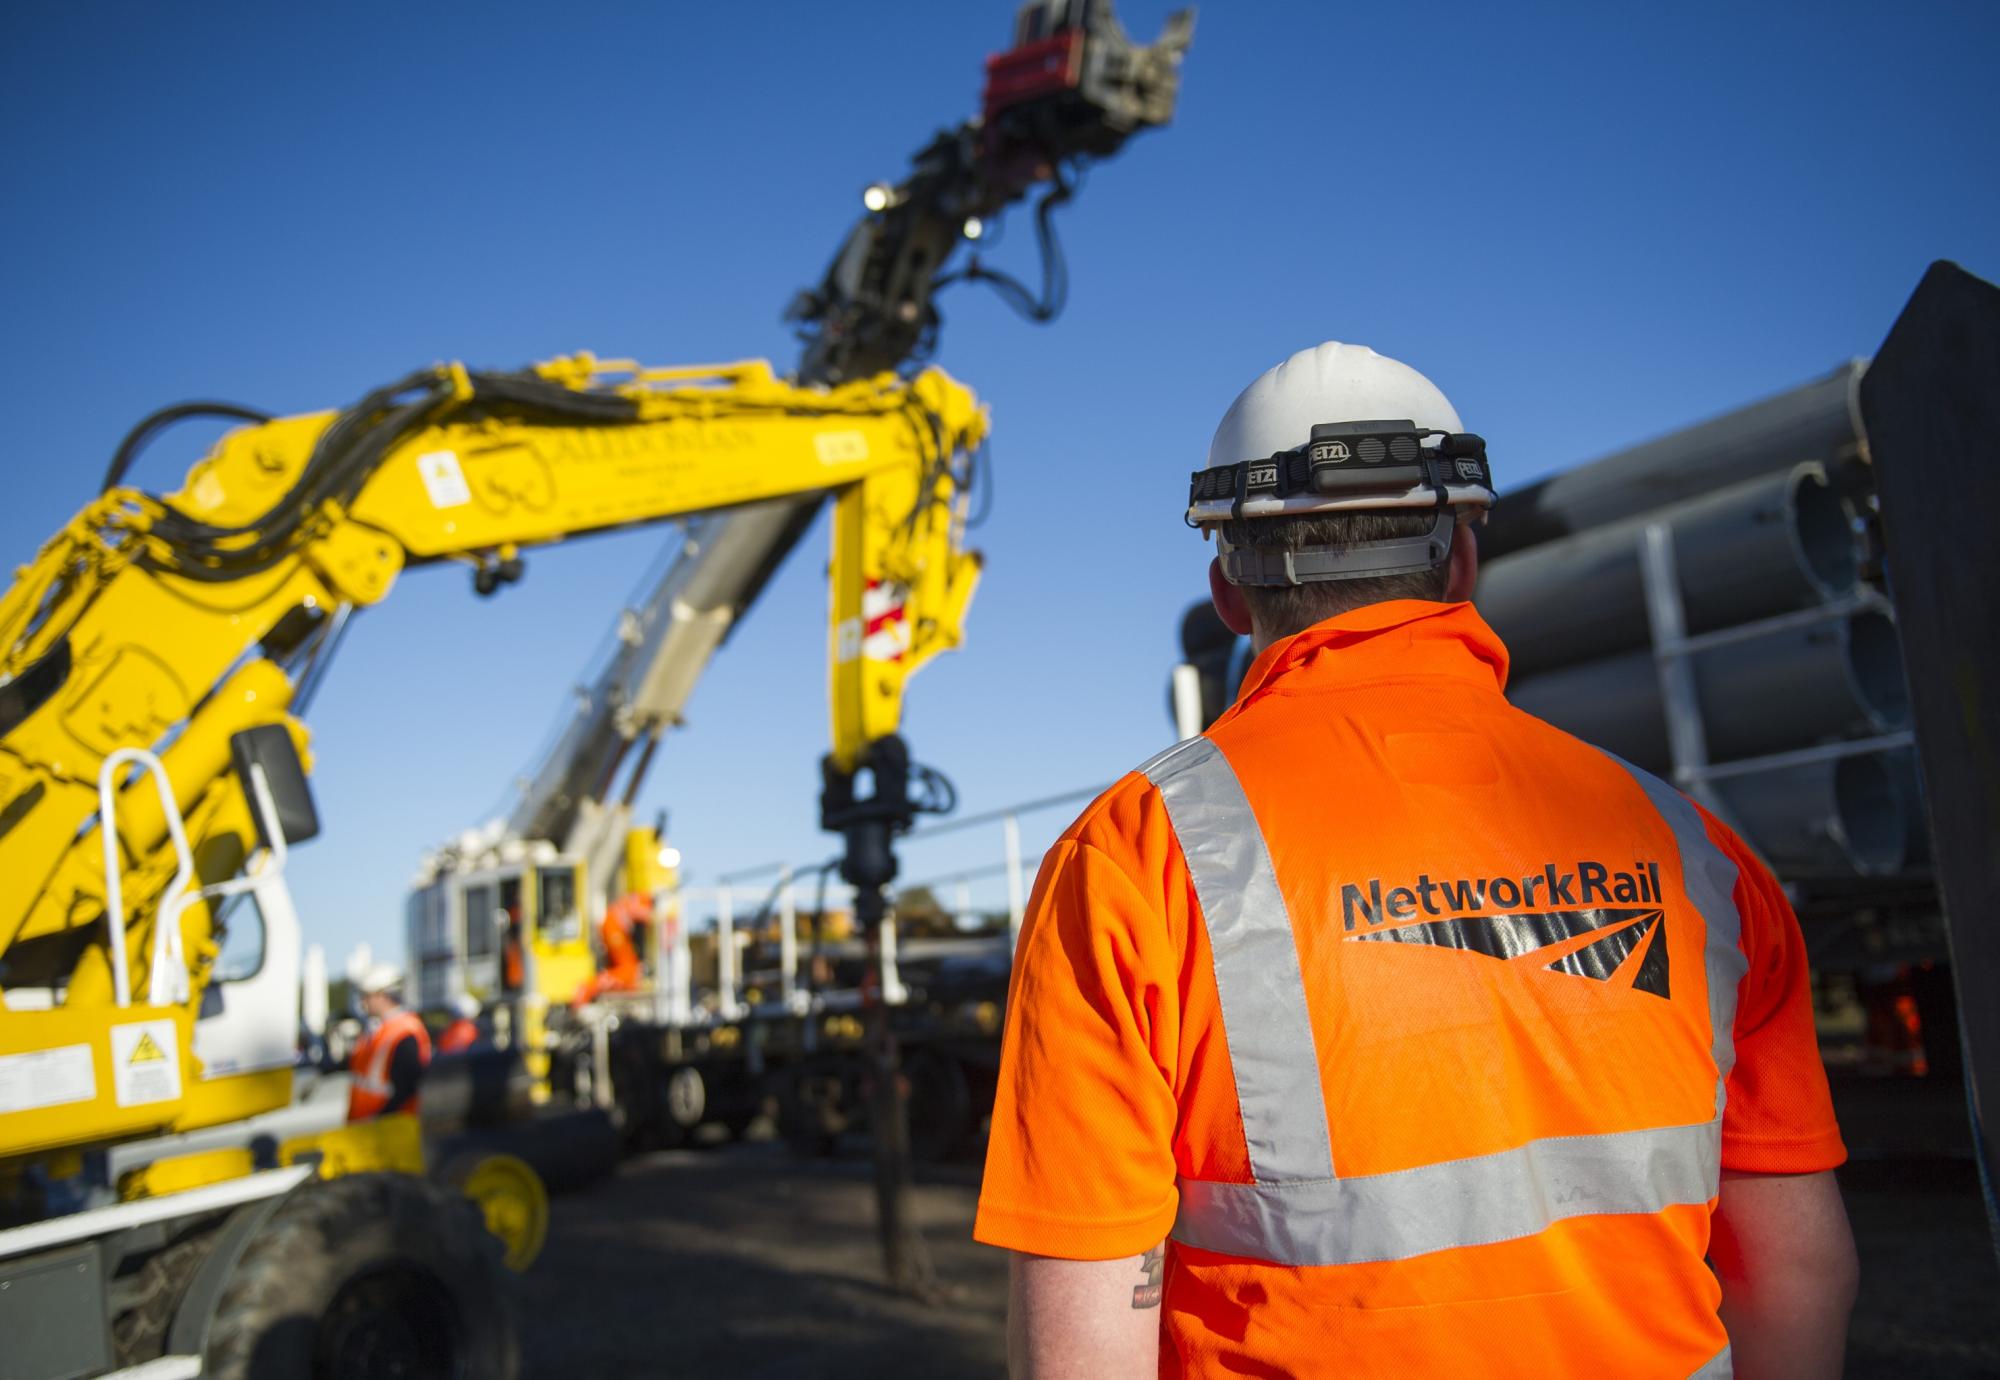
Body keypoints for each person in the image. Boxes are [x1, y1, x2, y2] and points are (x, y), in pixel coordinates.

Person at [974, 343, 1858, 1379]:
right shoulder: (1696, 852)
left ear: (1226, 588)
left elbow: (1081, 1347)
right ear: (1462, 560)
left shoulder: (1130, 858)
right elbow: (1799, 1271)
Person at [347, 963, 432, 1121]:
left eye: (367, 996)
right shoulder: (379, 1028)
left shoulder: (404, 1031)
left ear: (383, 996)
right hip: (370, 1128)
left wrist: (379, 1118)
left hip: (390, 1129)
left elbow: (408, 1086)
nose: (363, 1002)